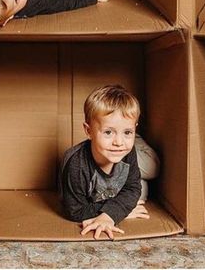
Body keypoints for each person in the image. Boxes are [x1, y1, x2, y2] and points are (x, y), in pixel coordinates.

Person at [60, 84, 159, 240]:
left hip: (115, 184)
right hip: (99, 191)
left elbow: (132, 189)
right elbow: (76, 211)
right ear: (88, 131)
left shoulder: (126, 150)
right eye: (108, 132)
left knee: (148, 177)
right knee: (140, 193)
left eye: (127, 132)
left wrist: (114, 213)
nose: (118, 142)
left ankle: (136, 139)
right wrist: (119, 212)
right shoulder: (76, 165)